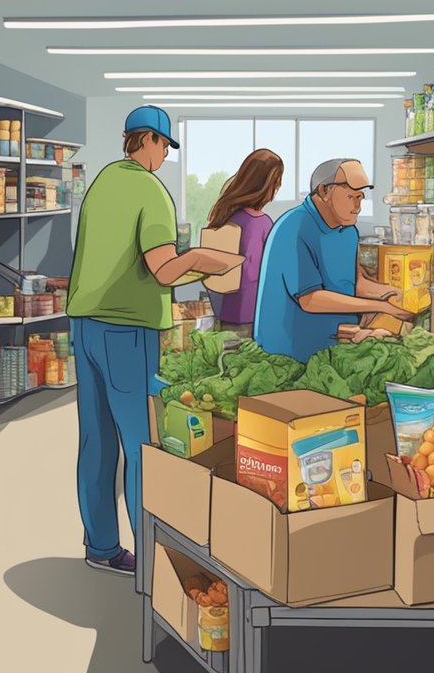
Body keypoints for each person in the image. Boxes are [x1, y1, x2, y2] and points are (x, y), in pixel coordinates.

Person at [67, 105, 243, 575]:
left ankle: (101, 546)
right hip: (127, 331)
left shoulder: (103, 182)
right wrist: (207, 259)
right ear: (146, 140)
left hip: (85, 325)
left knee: (97, 441)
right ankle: (153, 560)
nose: (165, 154)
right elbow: (164, 268)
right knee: (145, 444)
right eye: (163, 144)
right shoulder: (150, 191)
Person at [253, 158, 413, 363]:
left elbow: (356, 283)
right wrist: (380, 307)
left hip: (337, 341)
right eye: (350, 196)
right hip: (291, 352)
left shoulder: (348, 231)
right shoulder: (294, 227)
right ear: (324, 192)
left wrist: (389, 293)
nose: (357, 206)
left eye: (360, 197)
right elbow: (310, 300)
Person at [204, 149, 285, 339]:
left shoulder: (225, 217)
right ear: (267, 185)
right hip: (252, 317)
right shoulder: (262, 223)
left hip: (225, 314)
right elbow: (264, 273)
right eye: (276, 184)